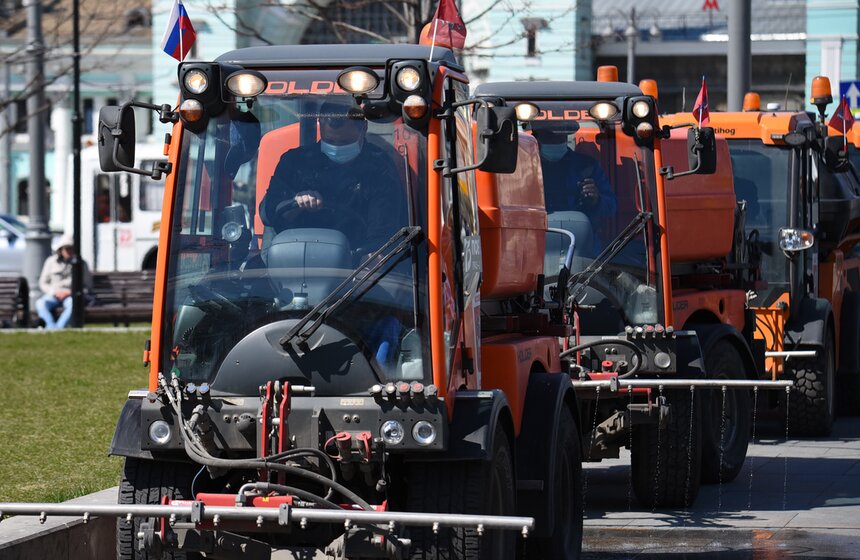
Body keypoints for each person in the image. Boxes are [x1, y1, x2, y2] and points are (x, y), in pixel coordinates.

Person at [259, 100, 403, 254]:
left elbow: (382, 232)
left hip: (355, 263)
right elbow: (269, 213)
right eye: (330, 141)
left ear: (363, 129)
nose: (336, 147)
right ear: (320, 127)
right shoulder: (295, 162)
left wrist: (370, 259)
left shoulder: (379, 169)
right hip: (294, 256)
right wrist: (295, 203)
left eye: (345, 142)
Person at [532, 123, 617, 218]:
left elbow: (611, 206)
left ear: (566, 135)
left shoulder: (588, 166)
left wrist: (597, 200)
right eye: (548, 136)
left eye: (559, 135)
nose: (554, 140)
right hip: (537, 229)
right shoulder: (526, 168)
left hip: (580, 232)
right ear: (536, 137)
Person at [36, 235, 92, 329]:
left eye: (71, 248)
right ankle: (52, 327)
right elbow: (43, 283)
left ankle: (59, 328)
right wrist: (54, 292)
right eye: (66, 248)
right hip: (54, 295)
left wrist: (71, 292)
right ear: (60, 250)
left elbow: (88, 285)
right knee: (40, 303)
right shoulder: (51, 262)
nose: (69, 251)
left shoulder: (81, 263)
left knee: (73, 305)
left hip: (70, 296)